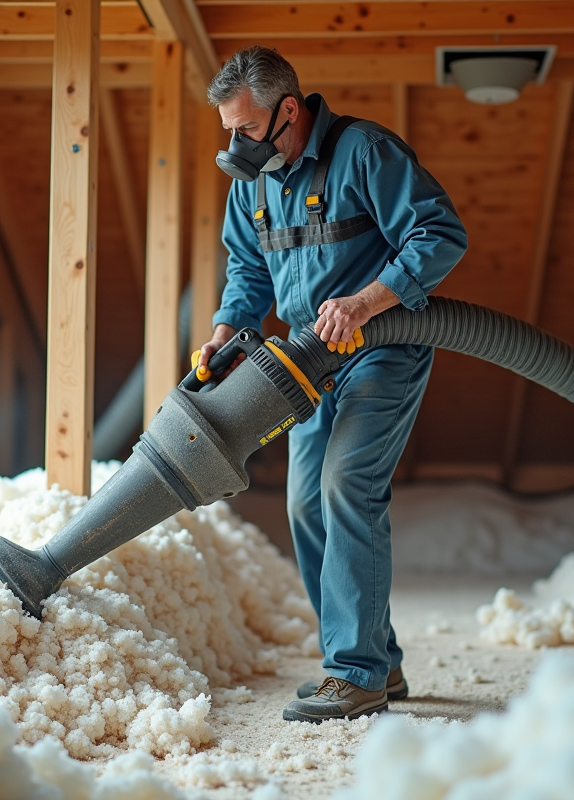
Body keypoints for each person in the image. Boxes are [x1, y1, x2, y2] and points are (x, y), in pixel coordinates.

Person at [199, 46, 468, 723]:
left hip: (383, 348)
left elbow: (439, 233)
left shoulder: (365, 153)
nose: (236, 144)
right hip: (306, 360)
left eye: (246, 129)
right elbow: (247, 271)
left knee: (347, 485)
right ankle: (375, 658)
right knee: (304, 507)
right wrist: (227, 329)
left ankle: (355, 673)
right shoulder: (250, 184)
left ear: (289, 110)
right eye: (228, 130)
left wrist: (368, 302)